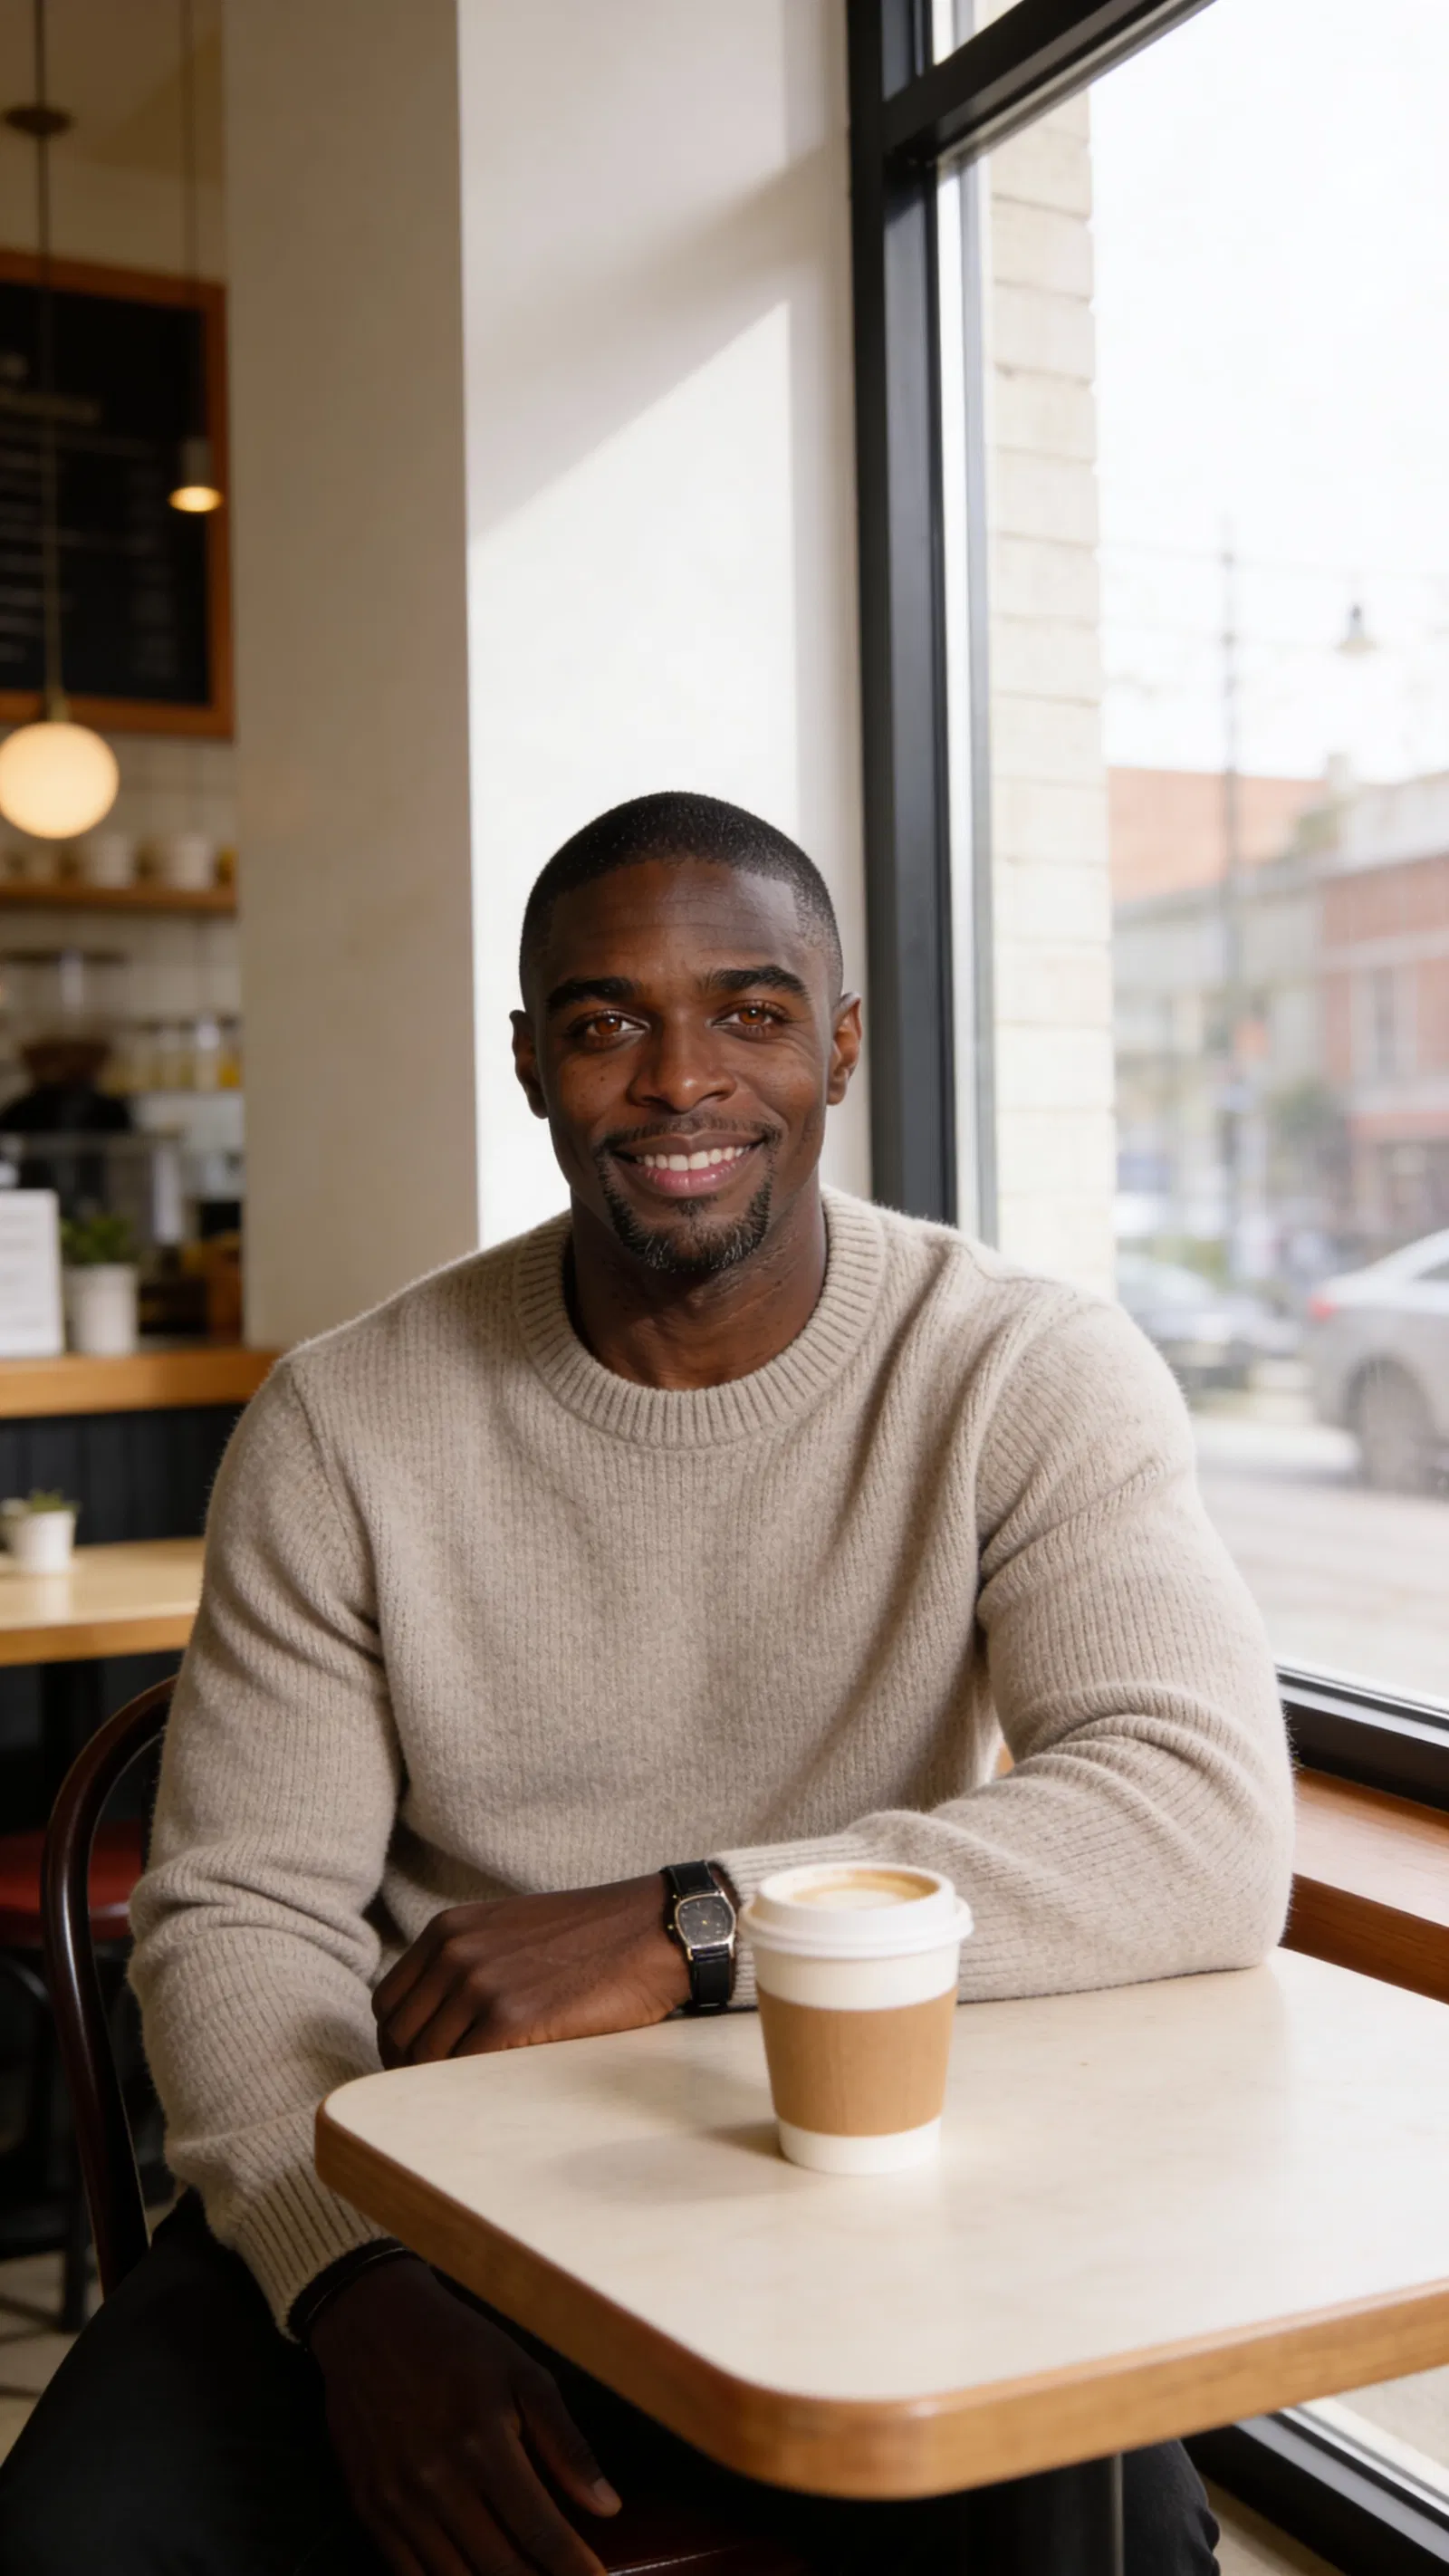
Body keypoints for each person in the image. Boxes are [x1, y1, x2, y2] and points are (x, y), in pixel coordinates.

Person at [0, 791, 1291, 2575]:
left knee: (1111, 2541)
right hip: (432, 2196)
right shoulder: (346, 1419)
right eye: (607, 1022)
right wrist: (350, 2280)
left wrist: (690, 1922)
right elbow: (239, 1918)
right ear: (530, 1063)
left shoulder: (1016, 1367)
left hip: (858, 2187)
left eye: (749, 1012)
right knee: (77, 2548)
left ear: (838, 1044)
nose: (681, 1080)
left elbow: (1198, 1824)